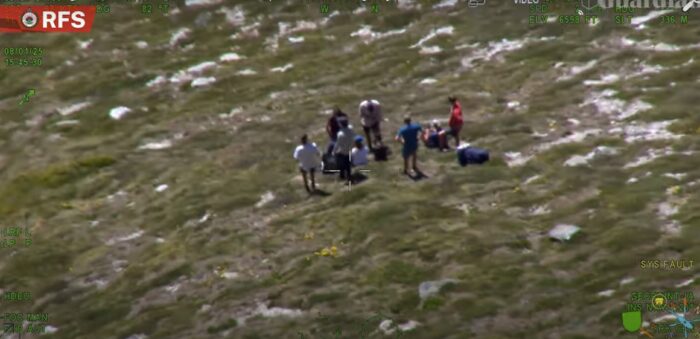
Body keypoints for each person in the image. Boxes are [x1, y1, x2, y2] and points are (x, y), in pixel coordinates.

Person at [333, 119, 355, 185]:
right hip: (350, 148)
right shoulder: (350, 129)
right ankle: (347, 176)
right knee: (348, 163)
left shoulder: (340, 134)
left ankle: (344, 176)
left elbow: (338, 144)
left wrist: (334, 151)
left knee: (342, 164)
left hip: (343, 150)